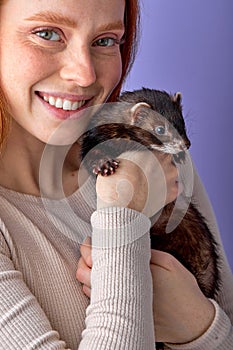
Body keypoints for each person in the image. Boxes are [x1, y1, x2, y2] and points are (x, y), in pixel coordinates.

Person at [0, 1, 232, 350]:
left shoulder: (156, 157)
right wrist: (123, 216)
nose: (85, 74)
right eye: (47, 34)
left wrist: (198, 326)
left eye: (106, 40)